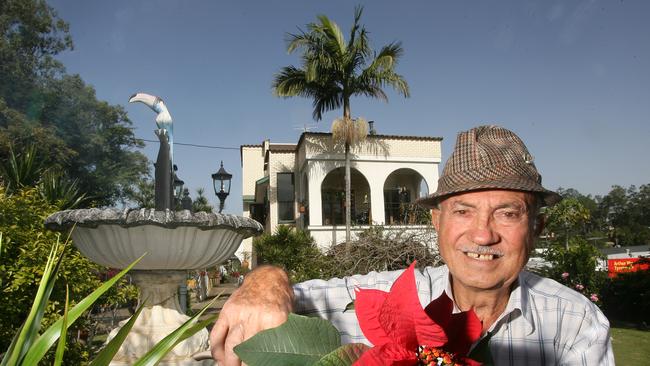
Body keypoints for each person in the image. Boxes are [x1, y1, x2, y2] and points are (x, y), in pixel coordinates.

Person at [210, 125, 613, 365]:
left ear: (537, 227)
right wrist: (265, 284)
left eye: (507, 213)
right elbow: (289, 296)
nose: (483, 233)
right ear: (436, 222)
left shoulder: (575, 323)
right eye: (463, 211)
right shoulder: (395, 296)